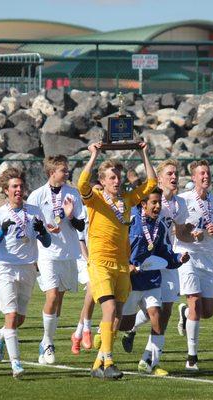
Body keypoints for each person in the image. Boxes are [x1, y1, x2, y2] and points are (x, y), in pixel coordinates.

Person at [77, 141, 157, 380]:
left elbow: (152, 183)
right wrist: (94, 155)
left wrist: (144, 152)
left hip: (122, 264)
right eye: (111, 177)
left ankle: (97, 364)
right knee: (109, 308)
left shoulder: (126, 199)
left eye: (118, 177)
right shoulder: (95, 198)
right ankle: (109, 361)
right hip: (100, 262)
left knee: (118, 316)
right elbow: (82, 183)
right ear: (102, 180)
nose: (116, 181)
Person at [0, 167, 51, 379]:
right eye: (14, 186)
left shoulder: (34, 211)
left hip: (28, 269)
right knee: (11, 316)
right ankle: (16, 364)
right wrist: (1, 232)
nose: (18, 190)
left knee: (18, 319)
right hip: (5, 269)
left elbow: (47, 242)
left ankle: (0, 334)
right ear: (5, 190)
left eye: (21, 186)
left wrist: (42, 232)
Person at [120, 159, 189, 355]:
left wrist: (192, 237)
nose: (174, 177)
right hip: (142, 264)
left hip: (163, 258)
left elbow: (180, 232)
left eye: (176, 173)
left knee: (162, 311)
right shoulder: (147, 202)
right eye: (170, 174)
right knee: (144, 313)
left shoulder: (180, 203)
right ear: (159, 179)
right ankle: (120, 328)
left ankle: (150, 357)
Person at [27, 155, 86, 365]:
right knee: (51, 296)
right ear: (52, 172)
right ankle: (49, 343)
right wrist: (44, 228)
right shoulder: (37, 195)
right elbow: (31, 225)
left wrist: (69, 216)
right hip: (47, 253)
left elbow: (81, 226)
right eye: (63, 170)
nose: (67, 173)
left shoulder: (73, 194)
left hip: (68, 253)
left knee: (58, 300)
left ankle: (45, 340)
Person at [174, 159, 213, 372]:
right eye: (201, 174)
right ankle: (192, 356)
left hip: (207, 257)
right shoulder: (183, 200)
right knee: (195, 302)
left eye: (207, 173)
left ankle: (185, 313)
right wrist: (190, 234)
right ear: (193, 177)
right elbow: (177, 232)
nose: (205, 177)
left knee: (207, 312)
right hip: (187, 256)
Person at [70, 207, 96, 355]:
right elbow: (81, 241)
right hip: (83, 258)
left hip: (99, 258)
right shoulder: (83, 211)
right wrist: (89, 261)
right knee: (92, 291)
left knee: (91, 298)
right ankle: (87, 329)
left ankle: (77, 334)